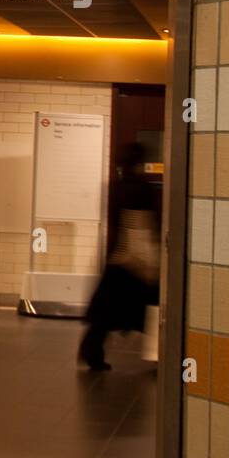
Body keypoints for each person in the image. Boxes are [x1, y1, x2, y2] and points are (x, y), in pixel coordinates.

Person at [79, 143, 161, 370]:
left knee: (104, 310)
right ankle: (158, 354)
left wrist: (110, 255)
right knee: (151, 307)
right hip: (142, 253)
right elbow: (151, 223)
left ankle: (92, 352)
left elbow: (115, 223)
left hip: (121, 253)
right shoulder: (145, 187)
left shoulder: (116, 187)